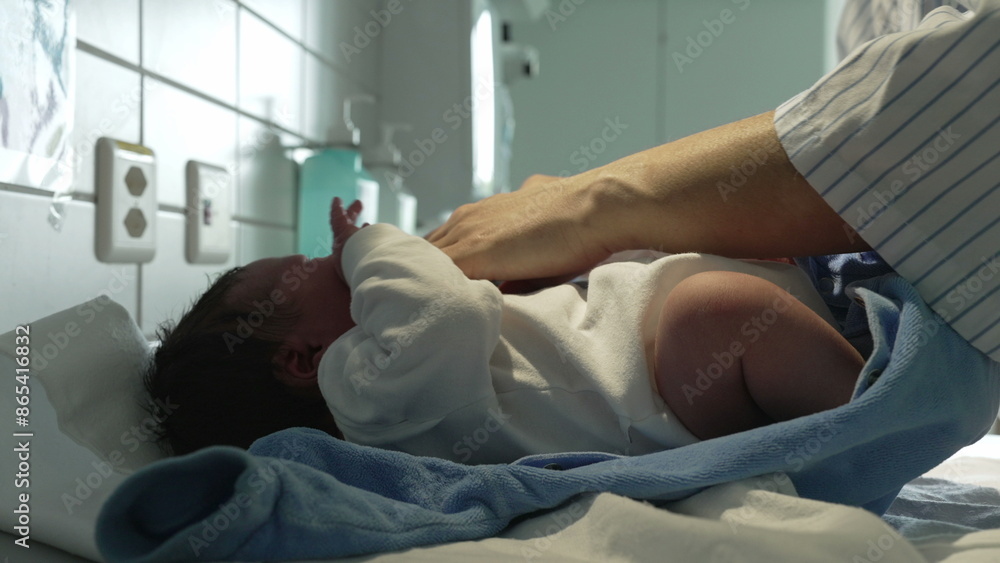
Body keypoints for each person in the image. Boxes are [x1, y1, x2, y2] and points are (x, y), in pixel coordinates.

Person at [426, 0, 999, 364]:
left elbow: (962, 120)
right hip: (891, 331)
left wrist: (598, 202)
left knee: (713, 307)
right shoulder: (865, 14)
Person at [145, 197, 862, 462]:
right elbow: (450, 312)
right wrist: (364, 244)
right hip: (661, 387)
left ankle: (856, 356)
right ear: (303, 359)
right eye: (307, 267)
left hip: (655, 365)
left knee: (712, 292)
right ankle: (877, 408)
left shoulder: (385, 399)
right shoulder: (366, 391)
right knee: (716, 312)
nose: (328, 261)